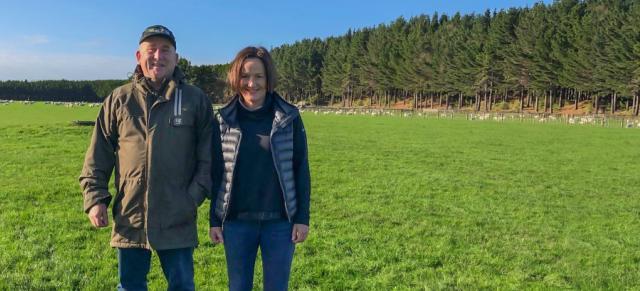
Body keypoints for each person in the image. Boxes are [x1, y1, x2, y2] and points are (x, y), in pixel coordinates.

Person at [79, 25, 215, 291]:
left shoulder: (195, 99)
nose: (158, 56)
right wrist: (95, 199)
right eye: (150, 50)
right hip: (131, 216)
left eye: (165, 50)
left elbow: (208, 158)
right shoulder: (119, 99)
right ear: (138, 56)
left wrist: (192, 198)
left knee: (182, 286)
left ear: (176, 57)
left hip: (177, 216)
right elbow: (97, 156)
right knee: (130, 286)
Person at [209, 46, 311, 291]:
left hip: (280, 224)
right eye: (245, 76)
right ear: (236, 79)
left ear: (268, 80)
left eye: (259, 76)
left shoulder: (289, 118)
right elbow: (216, 172)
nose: (251, 83)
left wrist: (302, 218)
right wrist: (214, 220)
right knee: (238, 287)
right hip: (236, 224)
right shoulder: (223, 120)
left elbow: (301, 169)